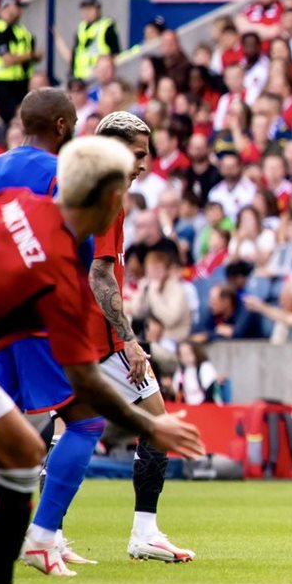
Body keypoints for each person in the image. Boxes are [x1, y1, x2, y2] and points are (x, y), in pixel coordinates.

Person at [0, 137, 202, 584]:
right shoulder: (58, 270)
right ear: (111, 199)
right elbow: (84, 378)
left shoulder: (15, 202)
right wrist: (152, 425)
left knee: (25, 451)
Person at [0, 89, 102, 575]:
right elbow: (79, 240)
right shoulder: (62, 173)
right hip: (38, 315)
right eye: (72, 123)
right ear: (61, 126)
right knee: (87, 420)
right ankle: (41, 536)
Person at [88, 112, 195, 561]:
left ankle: (44, 534)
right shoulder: (106, 197)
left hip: (71, 332)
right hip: (99, 337)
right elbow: (99, 275)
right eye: (137, 154)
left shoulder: (82, 190)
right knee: (157, 425)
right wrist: (128, 339)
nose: (143, 165)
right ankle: (143, 532)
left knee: (69, 431)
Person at [0, 0, 39, 121]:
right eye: (17, 7)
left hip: (21, 82)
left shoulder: (20, 29)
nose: (20, 11)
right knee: (8, 119)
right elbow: (8, 59)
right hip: (0, 85)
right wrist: (31, 55)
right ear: (8, 8)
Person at [59, 0, 121, 81]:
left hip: (97, 77)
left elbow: (115, 54)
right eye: (84, 9)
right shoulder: (81, 28)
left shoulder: (106, 26)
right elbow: (75, 55)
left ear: (98, 9)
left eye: (90, 9)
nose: (86, 12)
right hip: (79, 78)